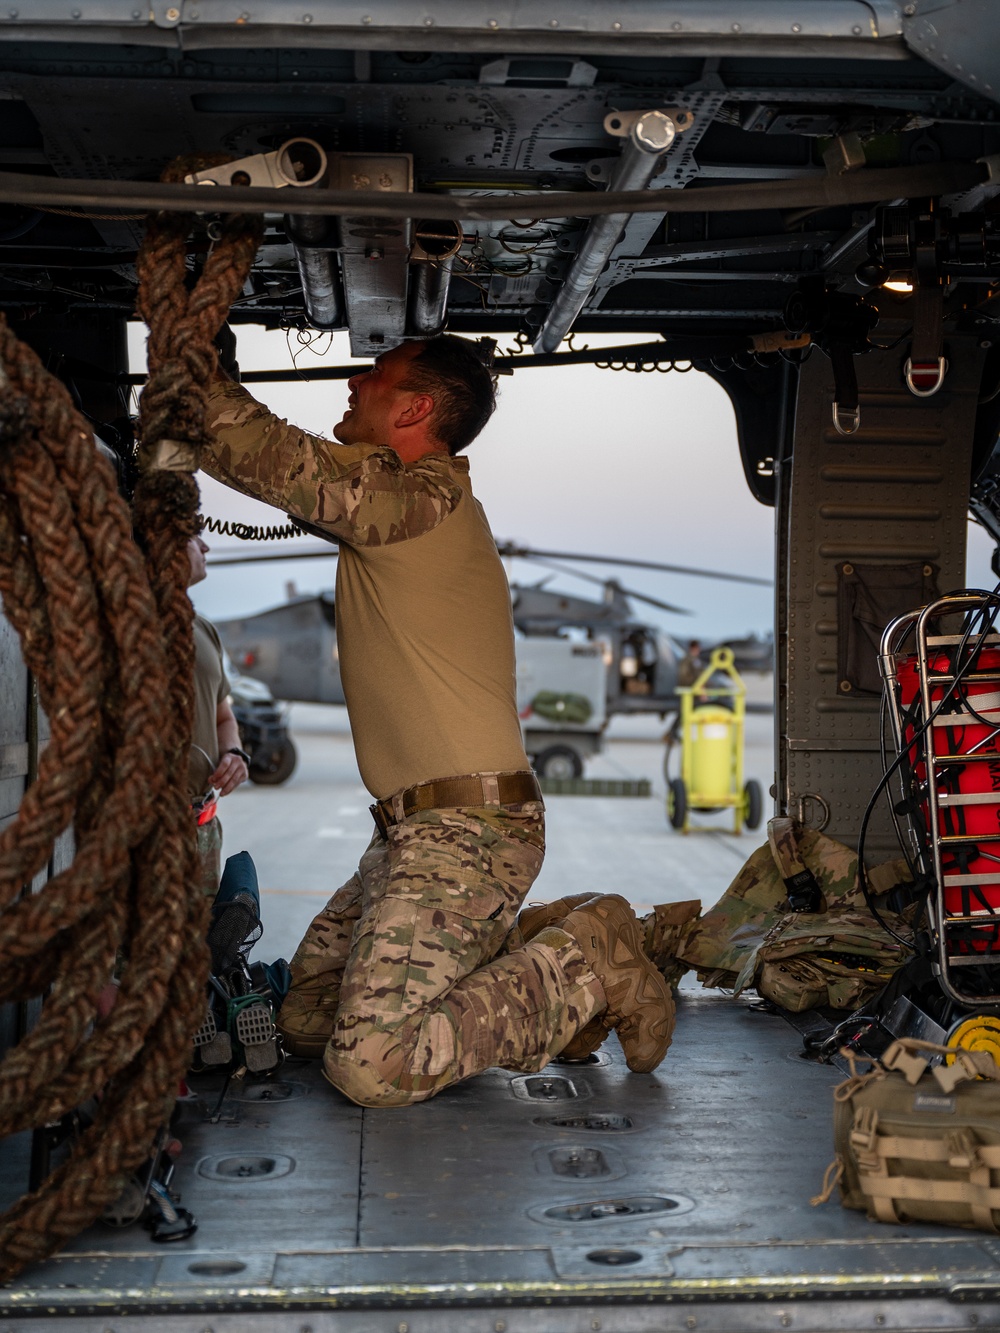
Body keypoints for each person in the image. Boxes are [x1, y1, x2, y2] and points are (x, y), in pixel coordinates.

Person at [198, 334, 674, 1108]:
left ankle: (590, 959)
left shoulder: (419, 498)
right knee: (308, 1019)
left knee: (370, 1064)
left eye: (375, 375)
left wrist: (194, 366)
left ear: (415, 407)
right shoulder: (391, 503)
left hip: (468, 832)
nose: (354, 379)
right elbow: (253, 462)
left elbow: (269, 455)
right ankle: (526, 945)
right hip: (407, 833)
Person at [187, 534, 250, 897]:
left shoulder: (203, 628)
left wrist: (234, 754)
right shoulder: (123, 622)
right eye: (192, 536)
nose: (206, 547)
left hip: (203, 830)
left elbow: (223, 718)